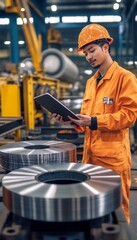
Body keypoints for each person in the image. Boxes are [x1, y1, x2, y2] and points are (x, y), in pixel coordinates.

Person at [52, 23, 137, 224]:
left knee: (116, 216)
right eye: (86, 54)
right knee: (93, 213)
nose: (89, 57)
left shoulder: (125, 78)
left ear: (106, 47)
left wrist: (94, 121)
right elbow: (88, 120)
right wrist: (71, 120)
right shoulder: (91, 83)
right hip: (89, 160)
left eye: (92, 51)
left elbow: (129, 116)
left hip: (112, 162)